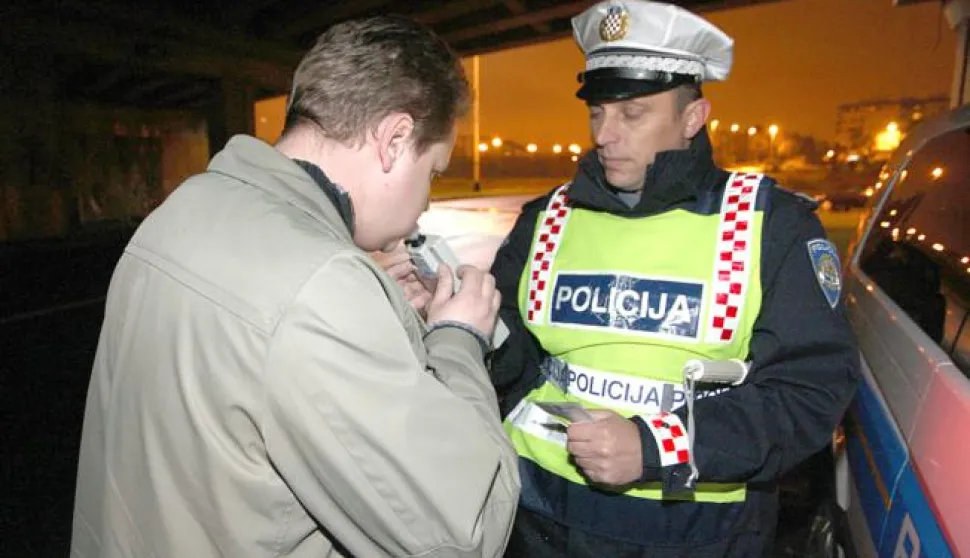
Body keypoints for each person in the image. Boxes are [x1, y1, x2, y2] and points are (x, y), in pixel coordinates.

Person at [71, 15, 520, 558]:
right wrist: (458, 340)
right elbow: (468, 533)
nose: (426, 200)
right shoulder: (320, 289)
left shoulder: (182, 209)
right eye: (434, 173)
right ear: (395, 140)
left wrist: (379, 318)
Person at [488, 1, 860, 556]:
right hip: (538, 518)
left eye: (632, 114)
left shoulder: (769, 225)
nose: (605, 135)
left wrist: (656, 446)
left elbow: (808, 390)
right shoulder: (546, 220)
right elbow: (510, 357)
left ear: (693, 117)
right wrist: (459, 322)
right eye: (597, 113)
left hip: (695, 533)